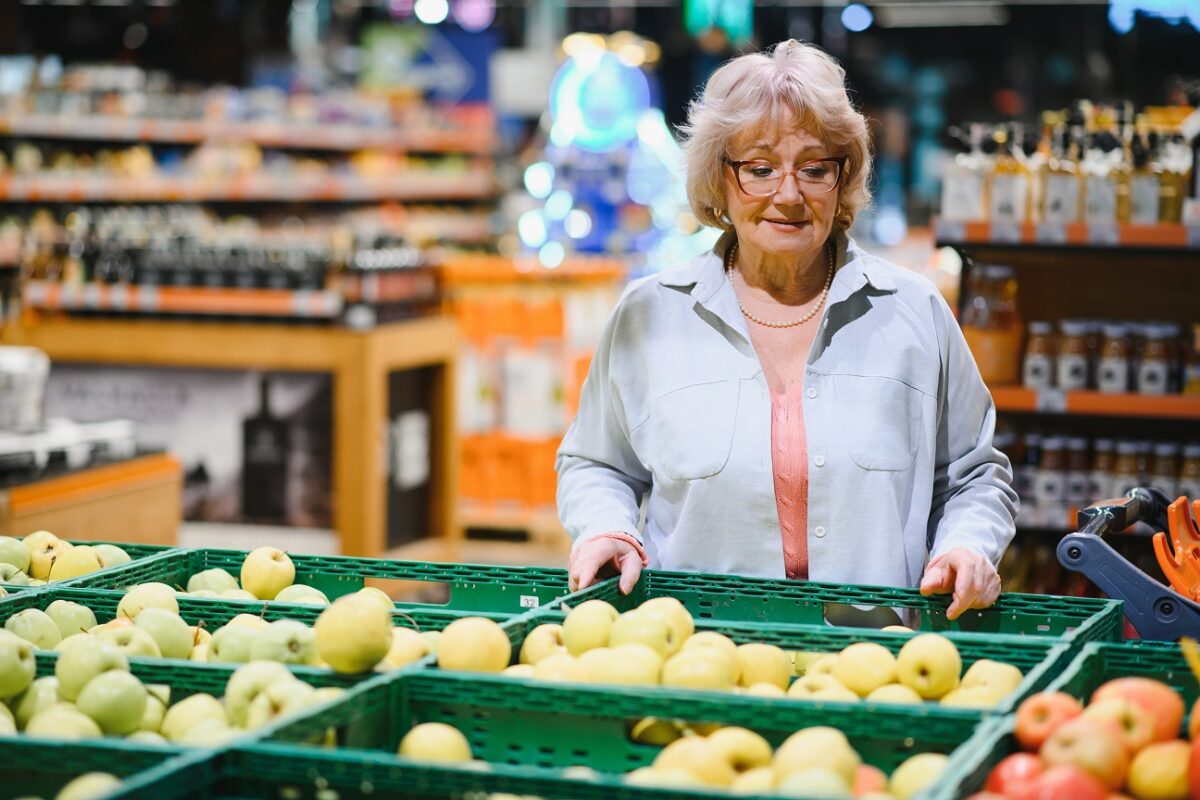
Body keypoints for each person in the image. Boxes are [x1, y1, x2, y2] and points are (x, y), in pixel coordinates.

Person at [555, 40, 1018, 621]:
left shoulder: (912, 312)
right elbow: (597, 463)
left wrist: (966, 545)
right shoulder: (649, 315)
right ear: (719, 181)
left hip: (875, 667)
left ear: (842, 178)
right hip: (697, 657)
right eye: (760, 168)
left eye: (815, 168)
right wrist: (610, 530)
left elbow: (976, 476)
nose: (789, 194)